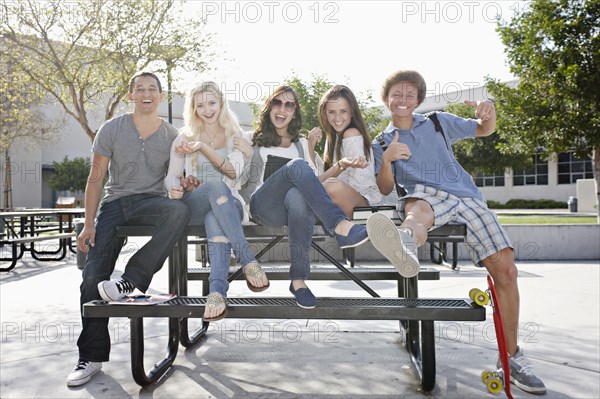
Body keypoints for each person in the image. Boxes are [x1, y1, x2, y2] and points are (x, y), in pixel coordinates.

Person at [366, 69, 546, 394]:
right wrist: (387, 160)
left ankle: (512, 357)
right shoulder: (380, 142)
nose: (403, 99)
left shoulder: (436, 121)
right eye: (397, 93)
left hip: (466, 196)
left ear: (418, 99)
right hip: (424, 195)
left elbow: (483, 129)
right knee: (416, 214)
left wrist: (489, 110)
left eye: (410, 94)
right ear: (387, 99)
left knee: (506, 270)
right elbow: (384, 187)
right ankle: (404, 247)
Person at [67, 71, 190, 387]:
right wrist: (88, 223)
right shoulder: (111, 129)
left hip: (152, 202)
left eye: (152, 89)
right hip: (116, 204)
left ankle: (132, 279)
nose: (146, 93)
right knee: (92, 279)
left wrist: (187, 184)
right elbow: (95, 179)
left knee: (179, 211)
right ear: (131, 95)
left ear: (161, 97)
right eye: (140, 89)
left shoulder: (173, 136)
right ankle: (91, 357)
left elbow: (175, 181)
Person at [239, 85, 369, 309]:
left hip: (289, 211)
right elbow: (233, 173)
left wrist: (340, 165)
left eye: (289, 104)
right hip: (261, 206)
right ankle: (340, 226)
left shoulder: (301, 144)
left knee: (298, 195)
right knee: (297, 166)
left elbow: (313, 185)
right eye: (277, 103)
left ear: (295, 111)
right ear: (269, 108)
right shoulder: (251, 139)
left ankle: (298, 281)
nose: (282, 109)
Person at [165, 81, 269, 322]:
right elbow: (172, 175)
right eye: (200, 105)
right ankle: (247, 258)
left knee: (217, 212)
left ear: (221, 103)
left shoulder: (236, 137)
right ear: (193, 108)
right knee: (213, 187)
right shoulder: (185, 137)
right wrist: (175, 188)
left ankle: (217, 292)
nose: (207, 109)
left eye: (212, 103)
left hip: (227, 205)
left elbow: (233, 174)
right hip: (195, 204)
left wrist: (202, 148)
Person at [308, 85, 382, 217]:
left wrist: (338, 170)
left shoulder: (351, 134)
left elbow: (360, 185)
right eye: (331, 112)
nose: (337, 118)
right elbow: (318, 177)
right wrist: (310, 144)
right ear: (325, 113)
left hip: (363, 203)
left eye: (343, 111)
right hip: (341, 201)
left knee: (330, 186)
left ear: (352, 112)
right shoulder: (333, 137)